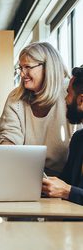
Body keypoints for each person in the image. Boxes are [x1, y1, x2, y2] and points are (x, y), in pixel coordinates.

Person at [0, 42, 79, 176]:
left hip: (66, 176)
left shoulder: (69, 93)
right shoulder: (15, 98)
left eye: (28, 67)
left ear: (48, 67)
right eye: (21, 68)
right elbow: (9, 138)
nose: (23, 74)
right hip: (26, 174)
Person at [42, 65, 83, 204]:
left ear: (81, 100)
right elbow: (65, 182)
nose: (65, 99)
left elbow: (67, 188)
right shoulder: (78, 140)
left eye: (69, 93)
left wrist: (67, 191)